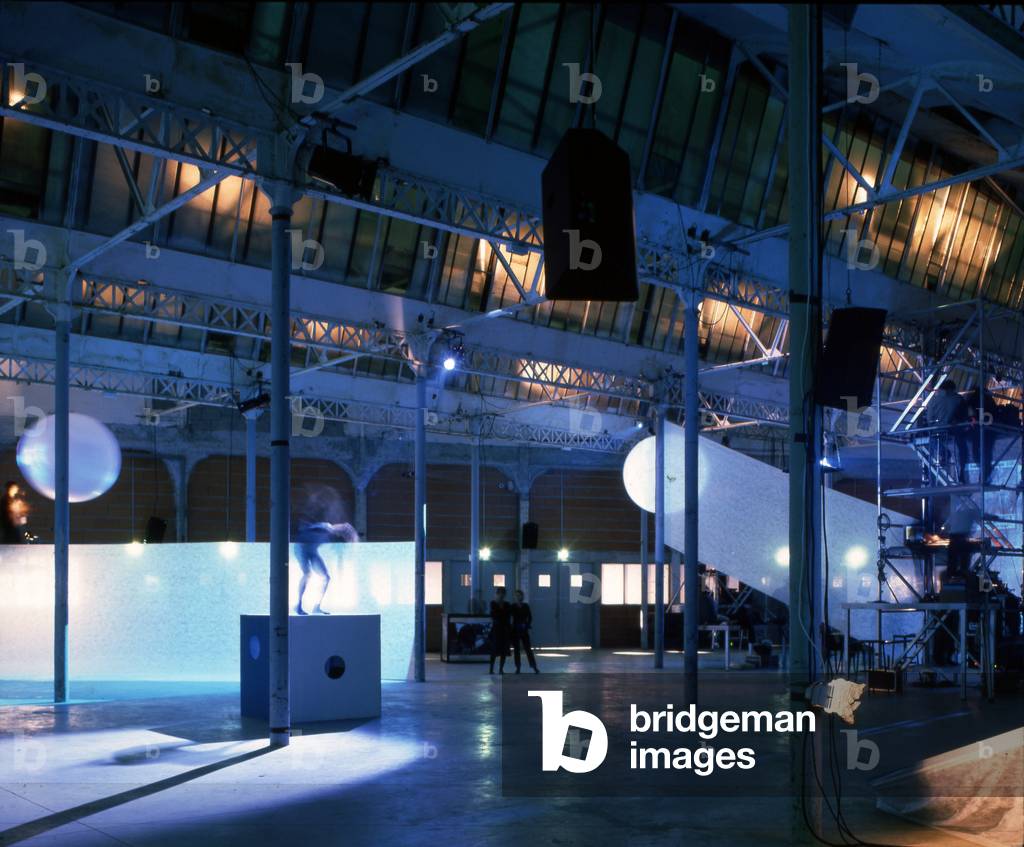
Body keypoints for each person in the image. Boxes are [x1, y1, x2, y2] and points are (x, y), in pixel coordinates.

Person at [293, 520, 358, 615]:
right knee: (307, 574)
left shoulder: (330, 535)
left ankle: (316, 607)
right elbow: (305, 531)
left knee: (326, 577)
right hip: (301, 548)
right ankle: (298, 605)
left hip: (312, 551)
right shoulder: (326, 527)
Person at [928, 379, 969, 483]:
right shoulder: (958, 398)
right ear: (952, 389)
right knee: (962, 446)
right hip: (953, 429)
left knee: (931, 439)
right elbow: (965, 415)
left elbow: (929, 418)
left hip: (936, 430)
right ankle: (962, 471)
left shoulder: (933, 400)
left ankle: (944, 453)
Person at [510, 589, 539, 674]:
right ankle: (518, 667)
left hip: (524, 629)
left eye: (519, 595)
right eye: (516, 595)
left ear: (522, 597)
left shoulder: (526, 606)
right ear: (515, 597)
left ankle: (534, 666)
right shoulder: (513, 606)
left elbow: (530, 617)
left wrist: (526, 625)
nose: (518, 597)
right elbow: (510, 617)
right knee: (516, 650)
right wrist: (511, 626)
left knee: (528, 649)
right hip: (515, 630)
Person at [488, 587, 511, 674]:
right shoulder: (493, 603)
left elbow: (506, 616)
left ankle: (501, 669)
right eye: (499, 593)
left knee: (503, 651)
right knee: (494, 650)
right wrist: (501, 614)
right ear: (497, 594)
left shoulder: (507, 604)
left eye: (502, 593)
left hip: (504, 630)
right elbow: (494, 615)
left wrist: (500, 614)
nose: (501, 595)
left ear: (504, 595)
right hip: (496, 630)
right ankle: (491, 669)